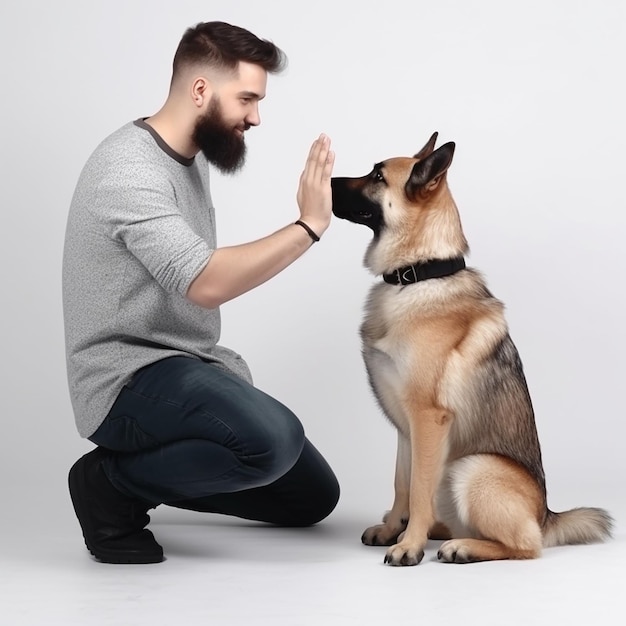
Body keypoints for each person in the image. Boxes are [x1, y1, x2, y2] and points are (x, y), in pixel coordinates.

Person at [62, 21, 339, 564]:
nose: (255, 116)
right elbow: (205, 282)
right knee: (271, 441)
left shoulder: (186, 159)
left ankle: (153, 470)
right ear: (200, 91)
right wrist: (308, 226)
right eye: (247, 99)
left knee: (311, 497)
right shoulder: (127, 169)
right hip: (123, 377)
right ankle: (110, 486)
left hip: (186, 364)